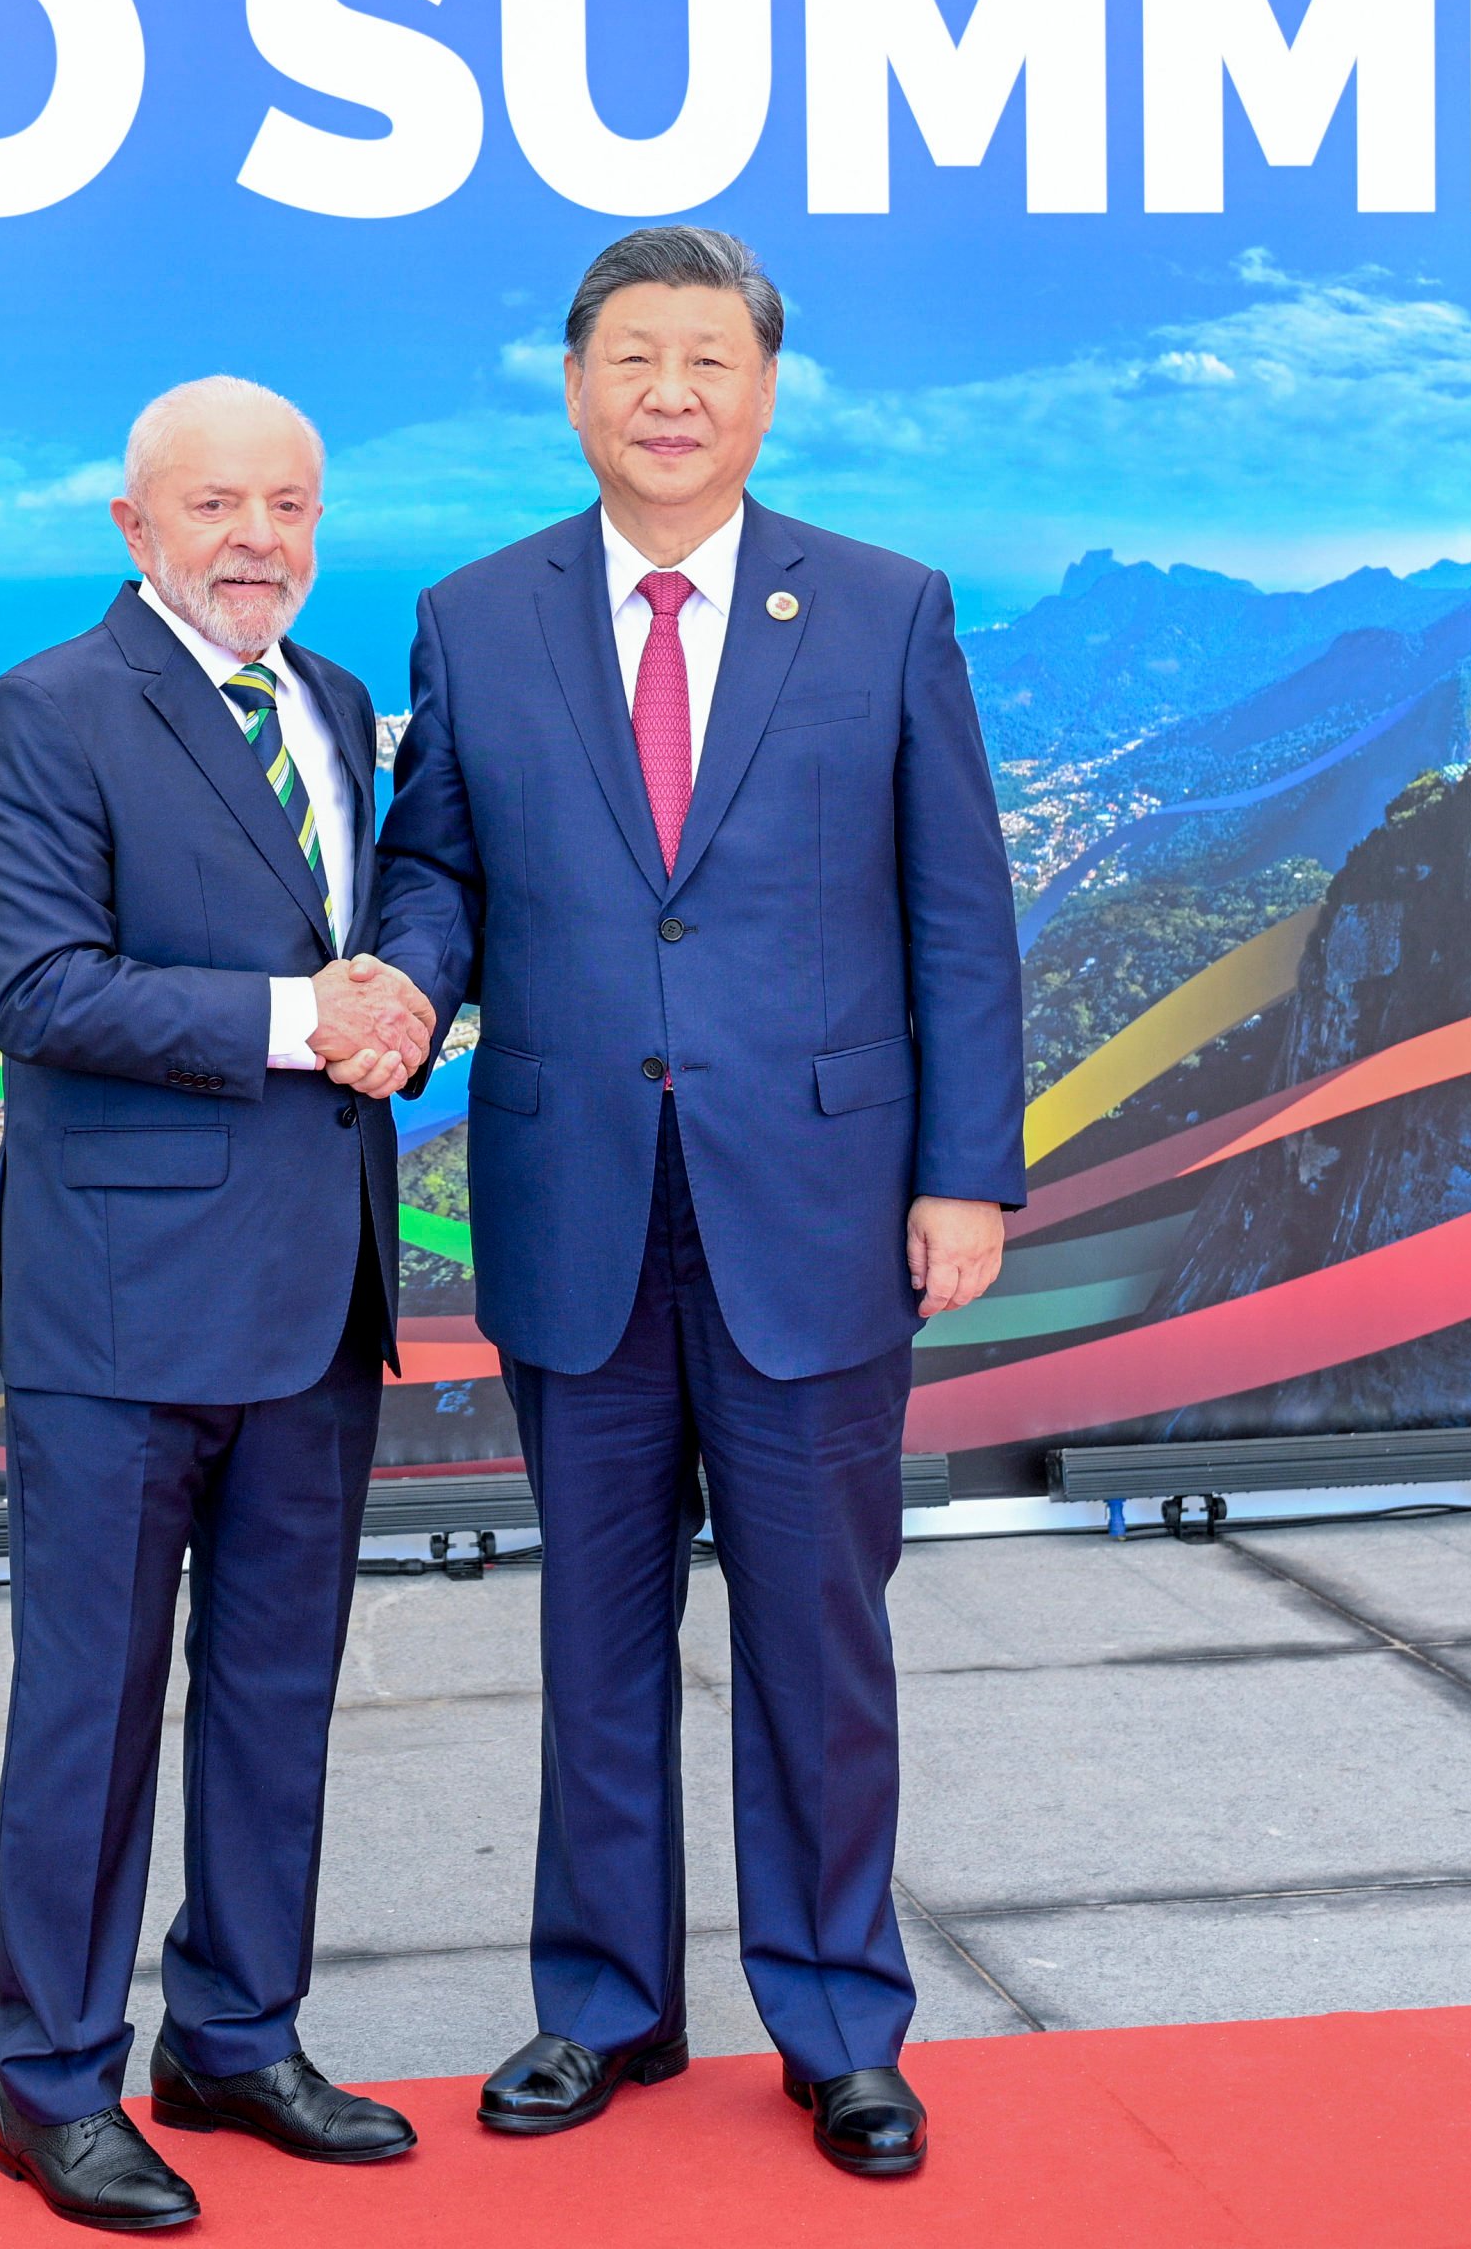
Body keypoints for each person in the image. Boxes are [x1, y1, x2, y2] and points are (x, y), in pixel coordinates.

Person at [370, 227, 1022, 2180]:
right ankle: (601, 2004)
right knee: (595, 1629)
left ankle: (836, 2018)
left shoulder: (886, 610)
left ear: (761, 391)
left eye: (707, 361)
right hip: (576, 1195)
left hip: (816, 1205)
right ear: (573, 386)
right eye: (632, 357)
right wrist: (402, 971)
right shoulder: (475, 619)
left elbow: (954, 917)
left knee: (819, 1633)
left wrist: (962, 1171)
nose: (669, 392)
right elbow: (438, 869)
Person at [0, 375, 441, 2232]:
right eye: (220, 506)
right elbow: (46, 993)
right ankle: (54, 2081)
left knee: (275, 1689)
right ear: (133, 529)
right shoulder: (47, 712)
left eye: (292, 507)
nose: (260, 540)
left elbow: (365, 939)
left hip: (318, 1287)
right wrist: (298, 1020)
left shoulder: (331, 704)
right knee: (91, 1706)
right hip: (118, 1305)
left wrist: (386, 989)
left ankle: (237, 2032)